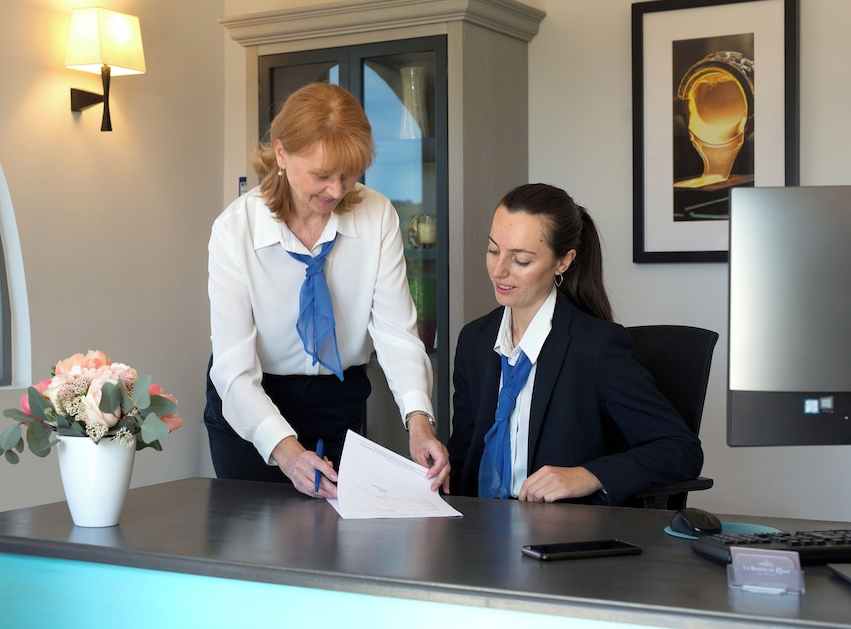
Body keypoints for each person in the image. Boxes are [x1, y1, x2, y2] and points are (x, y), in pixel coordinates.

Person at [205, 82, 450, 499]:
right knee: (251, 531)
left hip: (337, 399)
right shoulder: (235, 231)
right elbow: (234, 371)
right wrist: (287, 452)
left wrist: (419, 421)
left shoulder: (377, 215)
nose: (336, 191)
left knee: (333, 528)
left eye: (348, 175)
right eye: (320, 176)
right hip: (253, 402)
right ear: (281, 154)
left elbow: (396, 334)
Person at [447, 183, 703, 504]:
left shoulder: (597, 347)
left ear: (564, 262)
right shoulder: (475, 340)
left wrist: (589, 475)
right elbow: (463, 458)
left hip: (558, 528)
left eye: (521, 260)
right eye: (493, 250)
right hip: (477, 523)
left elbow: (681, 448)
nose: (499, 271)